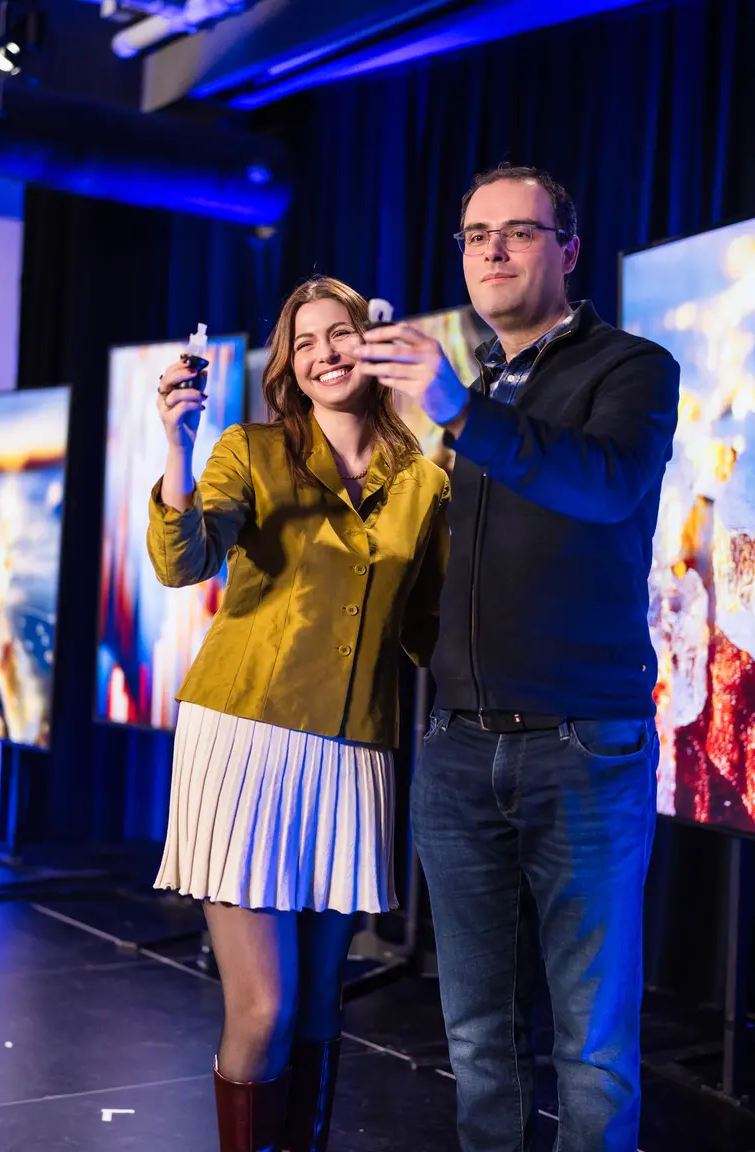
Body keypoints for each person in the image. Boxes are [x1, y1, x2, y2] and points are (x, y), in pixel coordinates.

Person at [350, 164, 680, 1152]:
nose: (492, 250)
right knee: (477, 1036)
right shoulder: (479, 387)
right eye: (476, 234)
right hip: (456, 749)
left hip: (585, 746)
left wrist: (460, 414)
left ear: (568, 250)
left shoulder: (631, 368)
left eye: (520, 232)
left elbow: (607, 487)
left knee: (591, 1047)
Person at [147, 276, 450, 1152]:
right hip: (243, 742)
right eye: (305, 339)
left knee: (320, 1008)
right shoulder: (252, 448)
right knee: (265, 1006)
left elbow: (429, 630)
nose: (323, 351)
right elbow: (183, 560)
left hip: (355, 756)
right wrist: (179, 447)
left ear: (372, 344)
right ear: (290, 362)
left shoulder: (424, 480)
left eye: (338, 332)